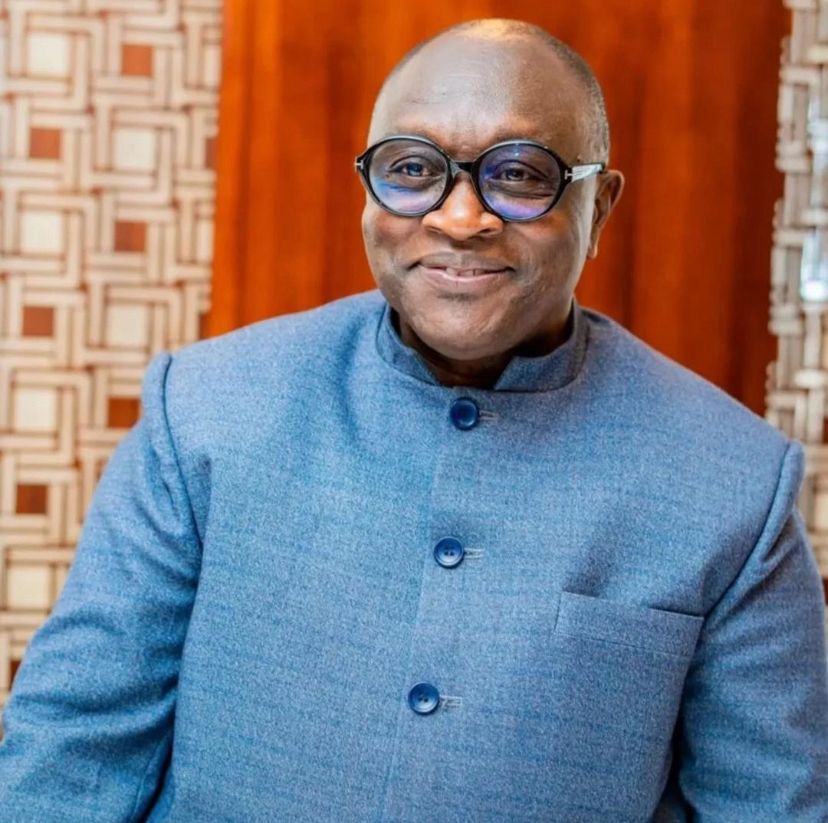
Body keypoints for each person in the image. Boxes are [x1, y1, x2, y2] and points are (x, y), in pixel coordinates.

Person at [1, 17, 826, 822]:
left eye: (519, 174)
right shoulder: (204, 409)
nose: (460, 219)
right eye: (412, 168)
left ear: (599, 206)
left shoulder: (734, 484)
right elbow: (73, 753)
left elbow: (771, 802)